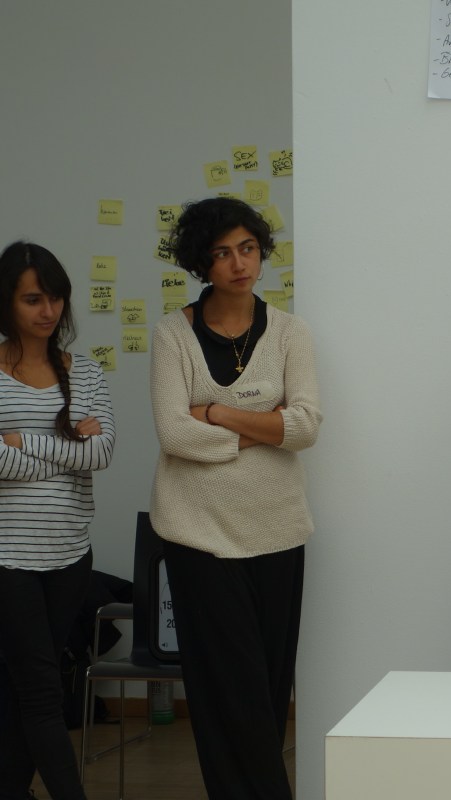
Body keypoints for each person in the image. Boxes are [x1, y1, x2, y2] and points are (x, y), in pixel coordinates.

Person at [150, 198, 320, 799]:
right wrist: (263, 429)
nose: (239, 263)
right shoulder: (172, 335)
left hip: (278, 531)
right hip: (198, 534)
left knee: (268, 689)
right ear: (202, 262)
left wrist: (218, 415)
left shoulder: (291, 332)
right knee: (227, 691)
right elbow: (174, 434)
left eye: (247, 248)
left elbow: (305, 426)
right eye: (222, 253)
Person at [0, 241, 114, 800]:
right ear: (7, 303)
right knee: (43, 690)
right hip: (7, 558)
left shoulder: (85, 372)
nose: (48, 310)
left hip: (70, 555)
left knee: (22, 686)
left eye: (55, 298)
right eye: (32, 299)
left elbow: (102, 452)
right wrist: (68, 448)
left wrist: (23, 442)